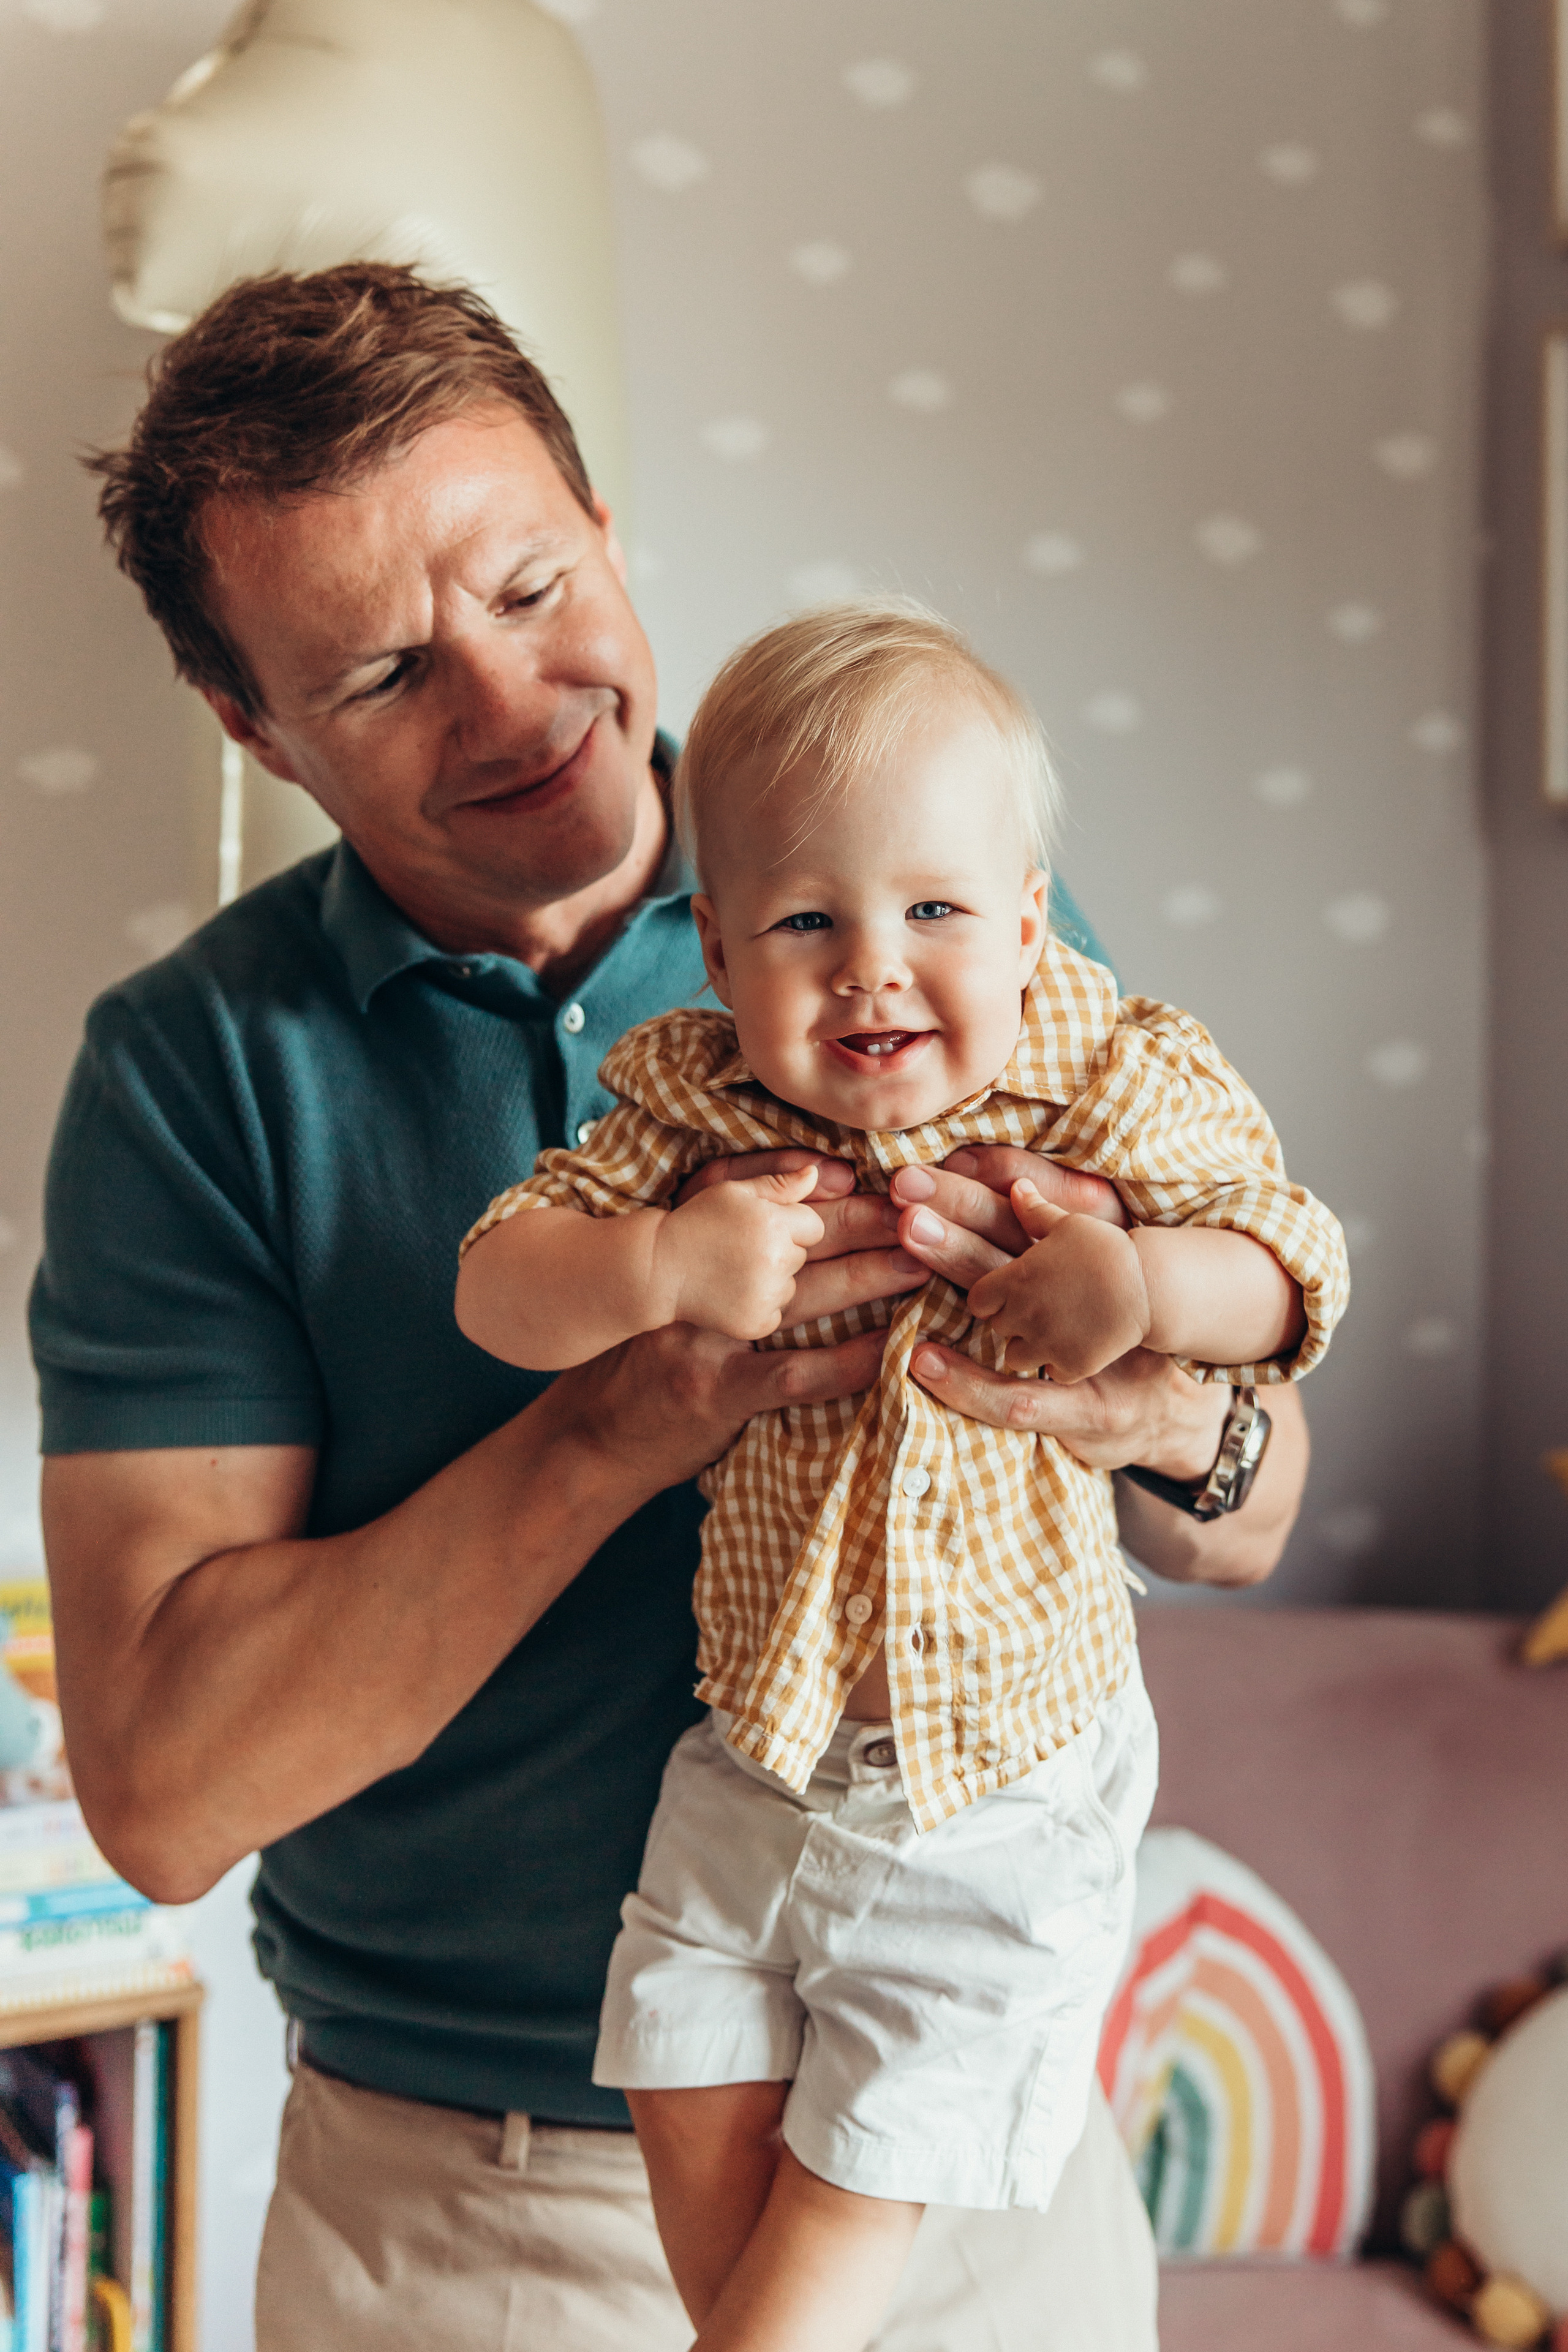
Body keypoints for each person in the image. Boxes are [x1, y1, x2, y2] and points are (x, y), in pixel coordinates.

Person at [30, 264, 1311, 2351]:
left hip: (980, 2145)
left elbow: (1250, 1500)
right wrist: (631, 1406)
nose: (512, 704)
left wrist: (1157, 1408)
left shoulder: (916, 859)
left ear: (612, 528)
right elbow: (166, 1797)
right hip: (479, 2212)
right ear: (252, 728)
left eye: (536, 587)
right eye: (383, 673)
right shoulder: (194, 1077)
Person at [455, 601, 1348, 2351]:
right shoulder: (700, 1116)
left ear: (1028, 925)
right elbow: (499, 1283)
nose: (873, 964)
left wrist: (1149, 1292)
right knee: (677, 2047)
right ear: (714, 948)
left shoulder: (1095, 1078)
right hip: (754, 1756)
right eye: (807, 919)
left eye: (934, 910)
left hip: (991, 1801)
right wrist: (656, 1270)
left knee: (819, 2254)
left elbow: (1296, 1261)